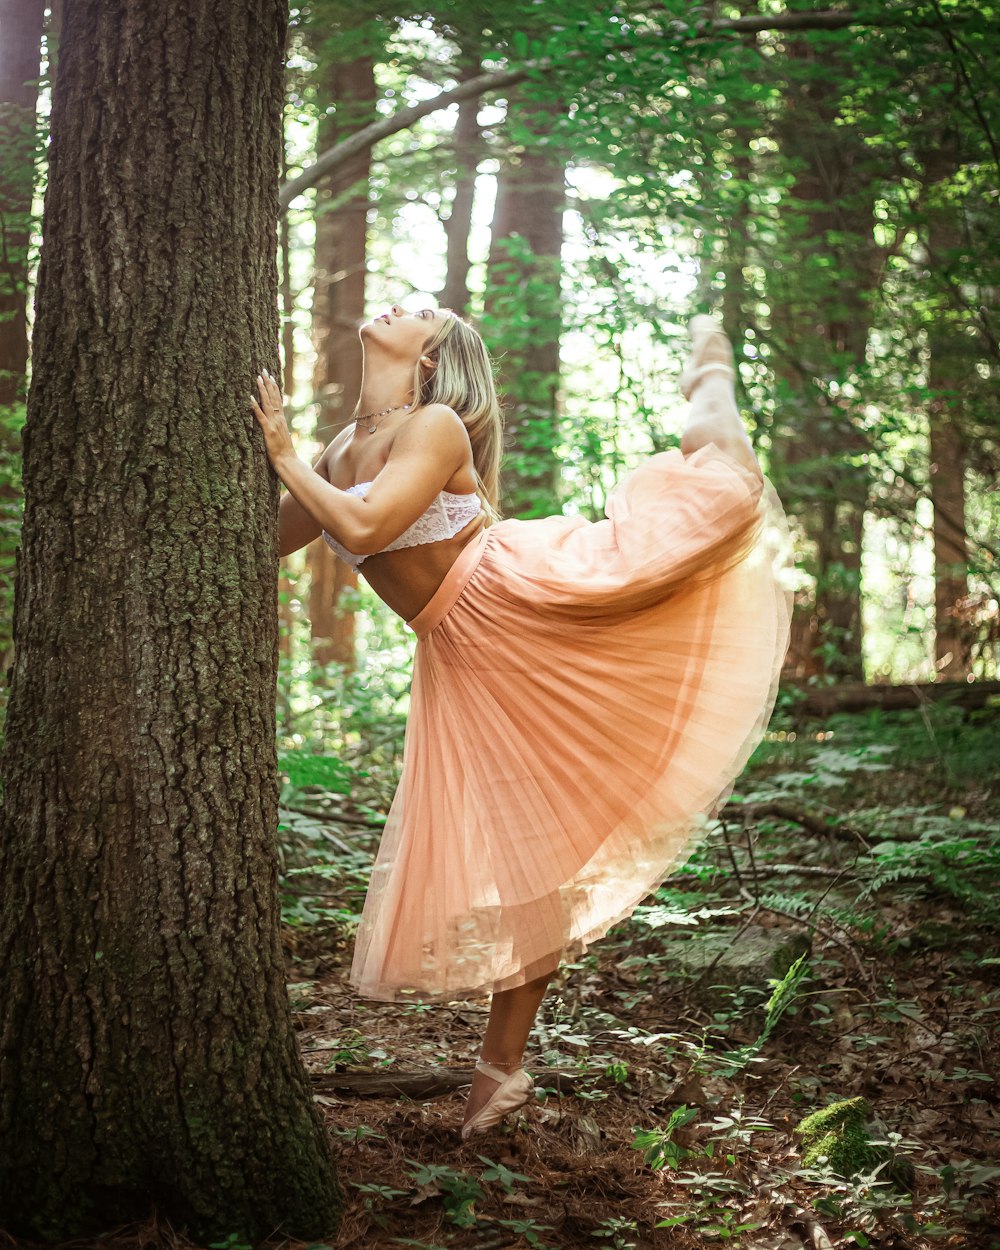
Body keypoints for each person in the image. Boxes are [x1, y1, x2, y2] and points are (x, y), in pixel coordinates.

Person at [250, 306, 793, 1139]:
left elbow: (359, 525)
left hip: (522, 604)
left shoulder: (434, 426)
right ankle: (502, 1070)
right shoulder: (335, 451)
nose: (399, 305)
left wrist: (283, 452)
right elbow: (261, 540)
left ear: (430, 357)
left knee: (716, 493)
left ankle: (708, 380)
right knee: (527, 846)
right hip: (461, 652)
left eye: (422, 310)